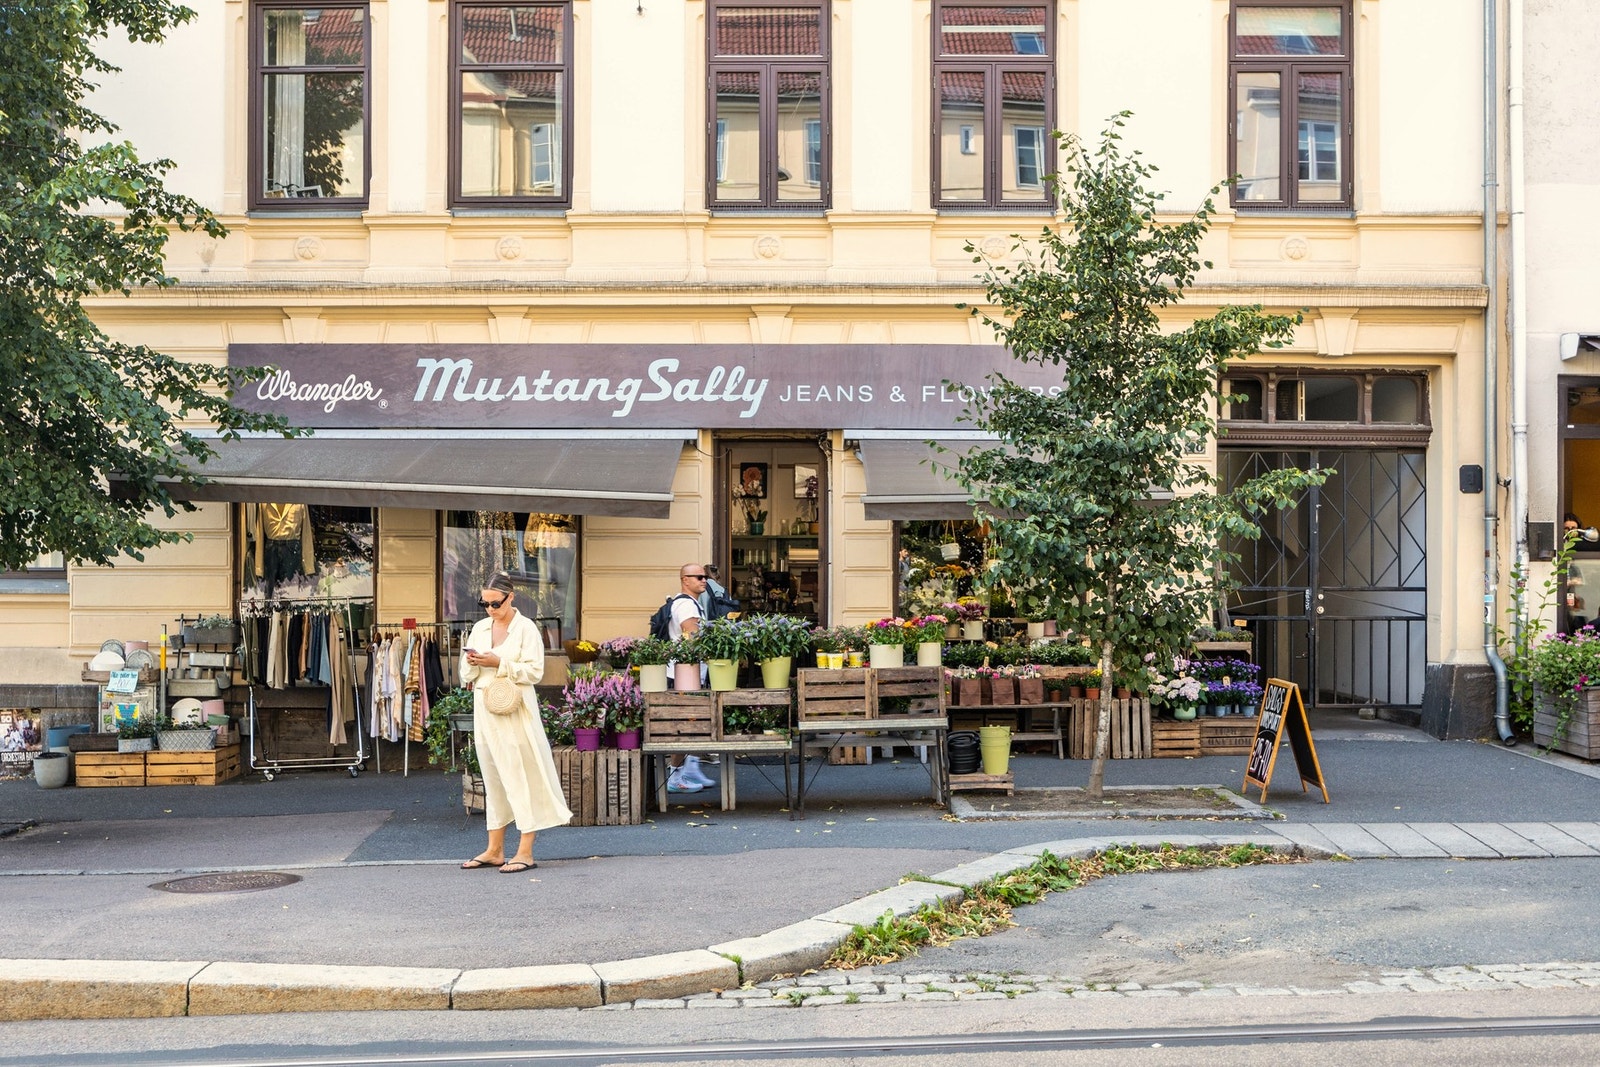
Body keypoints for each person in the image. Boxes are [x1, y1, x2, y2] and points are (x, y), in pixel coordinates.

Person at [459, 572, 572, 874]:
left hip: (516, 712)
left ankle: (525, 850)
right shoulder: (481, 628)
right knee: (493, 777)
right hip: (486, 710)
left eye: (496, 603)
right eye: (484, 603)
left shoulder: (526, 629)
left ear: (511, 597)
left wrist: (499, 663)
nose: (490, 609)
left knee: (521, 776)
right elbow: (465, 674)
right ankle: (494, 849)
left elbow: (535, 672)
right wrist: (471, 664)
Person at [667, 564, 716, 794]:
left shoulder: (693, 603)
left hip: (690, 672)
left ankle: (691, 769)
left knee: (695, 723)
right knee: (684, 726)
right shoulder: (686, 604)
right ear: (685, 579)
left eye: (705, 577)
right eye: (699, 577)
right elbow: (692, 635)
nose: (704, 580)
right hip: (683, 675)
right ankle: (675, 776)